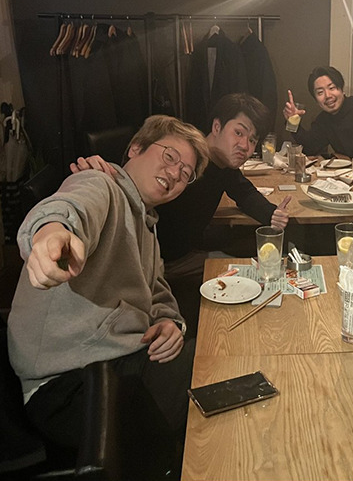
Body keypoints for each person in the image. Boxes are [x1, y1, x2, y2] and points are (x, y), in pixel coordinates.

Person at [7, 115, 209, 461]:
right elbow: (71, 206)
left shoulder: (147, 221)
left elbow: (156, 286)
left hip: (117, 359)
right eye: (170, 157)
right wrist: (51, 234)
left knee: (209, 362)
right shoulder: (101, 183)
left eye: (186, 174)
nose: (176, 174)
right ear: (136, 148)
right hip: (69, 387)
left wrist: (170, 322)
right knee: (209, 376)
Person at [71, 93, 291, 281]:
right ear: (217, 126)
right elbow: (117, 191)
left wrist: (272, 214)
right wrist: (100, 174)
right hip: (161, 263)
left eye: (252, 140)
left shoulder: (222, 166)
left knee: (259, 264)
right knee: (251, 274)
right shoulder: (187, 161)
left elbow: (244, 191)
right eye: (239, 133)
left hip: (174, 256)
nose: (245, 146)